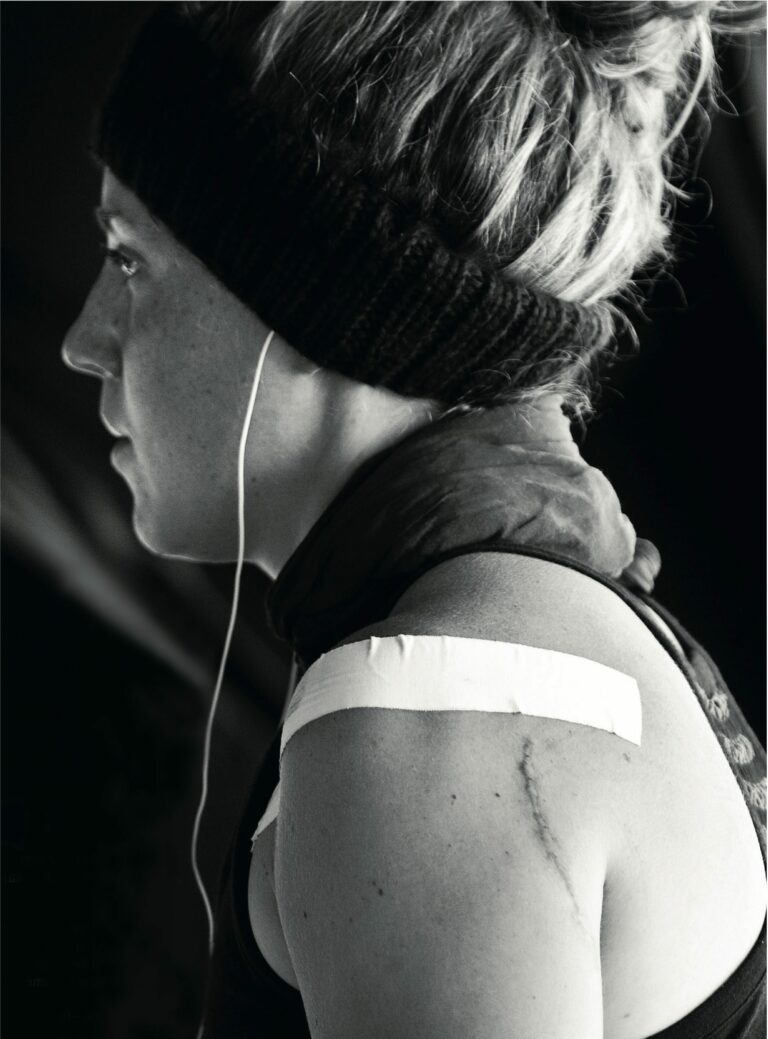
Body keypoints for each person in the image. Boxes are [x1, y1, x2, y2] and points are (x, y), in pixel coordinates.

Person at [61, 2, 766, 1037]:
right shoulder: (539, 629)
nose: (84, 339)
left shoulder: (432, 723)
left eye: (129, 258)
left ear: (310, 292)